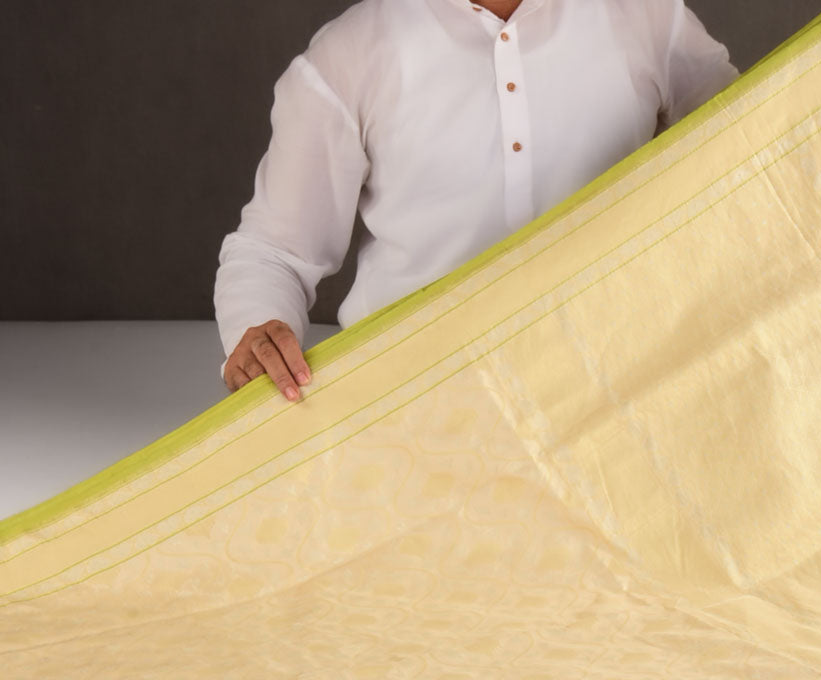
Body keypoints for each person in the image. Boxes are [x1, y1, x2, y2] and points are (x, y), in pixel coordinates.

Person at [214, 0, 739, 403]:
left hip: (620, 393)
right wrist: (259, 329)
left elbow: (747, 148)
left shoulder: (645, 14)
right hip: (415, 408)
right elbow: (274, 252)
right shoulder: (348, 55)